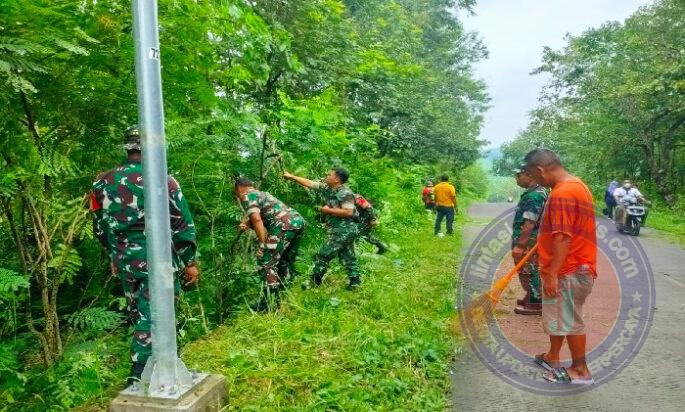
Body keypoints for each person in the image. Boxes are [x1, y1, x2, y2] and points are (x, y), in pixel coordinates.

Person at [90, 125, 198, 385]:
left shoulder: (101, 182)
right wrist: (190, 262)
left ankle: (163, 364)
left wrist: (114, 256)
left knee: (139, 312)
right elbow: (182, 224)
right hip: (156, 258)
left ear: (128, 147)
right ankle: (138, 375)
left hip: (125, 258)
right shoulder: (164, 179)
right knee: (157, 313)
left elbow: (98, 226)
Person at [523, 148, 597, 385]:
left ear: (541, 169)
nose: (535, 181)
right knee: (560, 315)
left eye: (534, 176)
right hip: (576, 265)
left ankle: (580, 370)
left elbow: (563, 237)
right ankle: (553, 356)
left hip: (569, 269)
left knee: (570, 319)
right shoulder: (577, 185)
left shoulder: (562, 193)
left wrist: (553, 273)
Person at [283, 167, 362, 290]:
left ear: (336, 179)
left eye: (329, 174)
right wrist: (292, 177)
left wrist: (327, 210)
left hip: (344, 229)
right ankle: (355, 282)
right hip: (342, 229)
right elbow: (309, 183)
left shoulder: (345, 193)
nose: (326, 175)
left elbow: (348, 212)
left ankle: (315, 282)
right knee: (347, 255)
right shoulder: (327, 188)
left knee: (323, 254)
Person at [234, 178, 305, 312]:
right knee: (284, 260)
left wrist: (263, 243)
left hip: (284, 225)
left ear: (238, 189)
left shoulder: (246, 196)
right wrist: (247, 223)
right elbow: (261, 214)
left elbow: (256, 219)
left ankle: (270, 303)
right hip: (297, 221)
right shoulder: (262, 193)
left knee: (266, 260)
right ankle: (285, 294)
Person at [511, 164, 547, 316]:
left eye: (519, 175)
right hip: (528, 239)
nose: (517, 179)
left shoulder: (535, 196)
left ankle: (536, 302)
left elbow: (530, 222)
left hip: (529, 240)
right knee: (526, 269)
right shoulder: (534, 192)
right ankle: (530, 295)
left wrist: (520, 245)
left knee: (529, 270)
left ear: (530, 176)